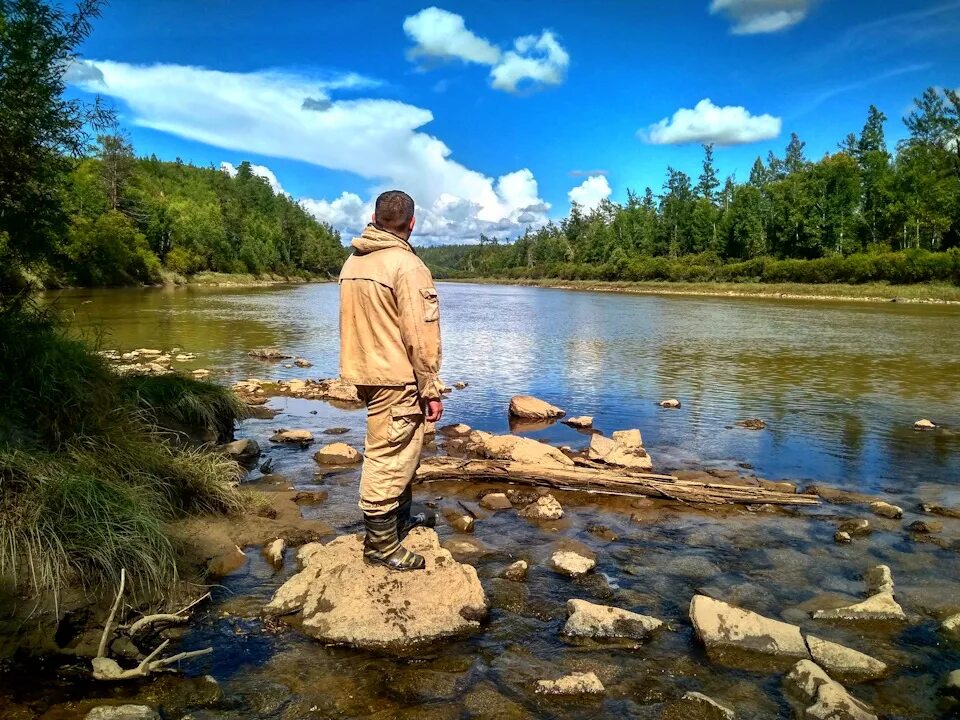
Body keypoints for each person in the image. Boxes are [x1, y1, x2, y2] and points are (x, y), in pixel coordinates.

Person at [338, 190, 444, 571]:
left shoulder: (353, 261)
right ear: (411, 223)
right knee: (389, 456)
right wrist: (431, 388)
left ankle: (398, 525)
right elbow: (421, 336)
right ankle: (381, 547)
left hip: (366, 371)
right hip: (396, 377)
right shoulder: (407, 266)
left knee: (403, 451)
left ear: (375, 217)